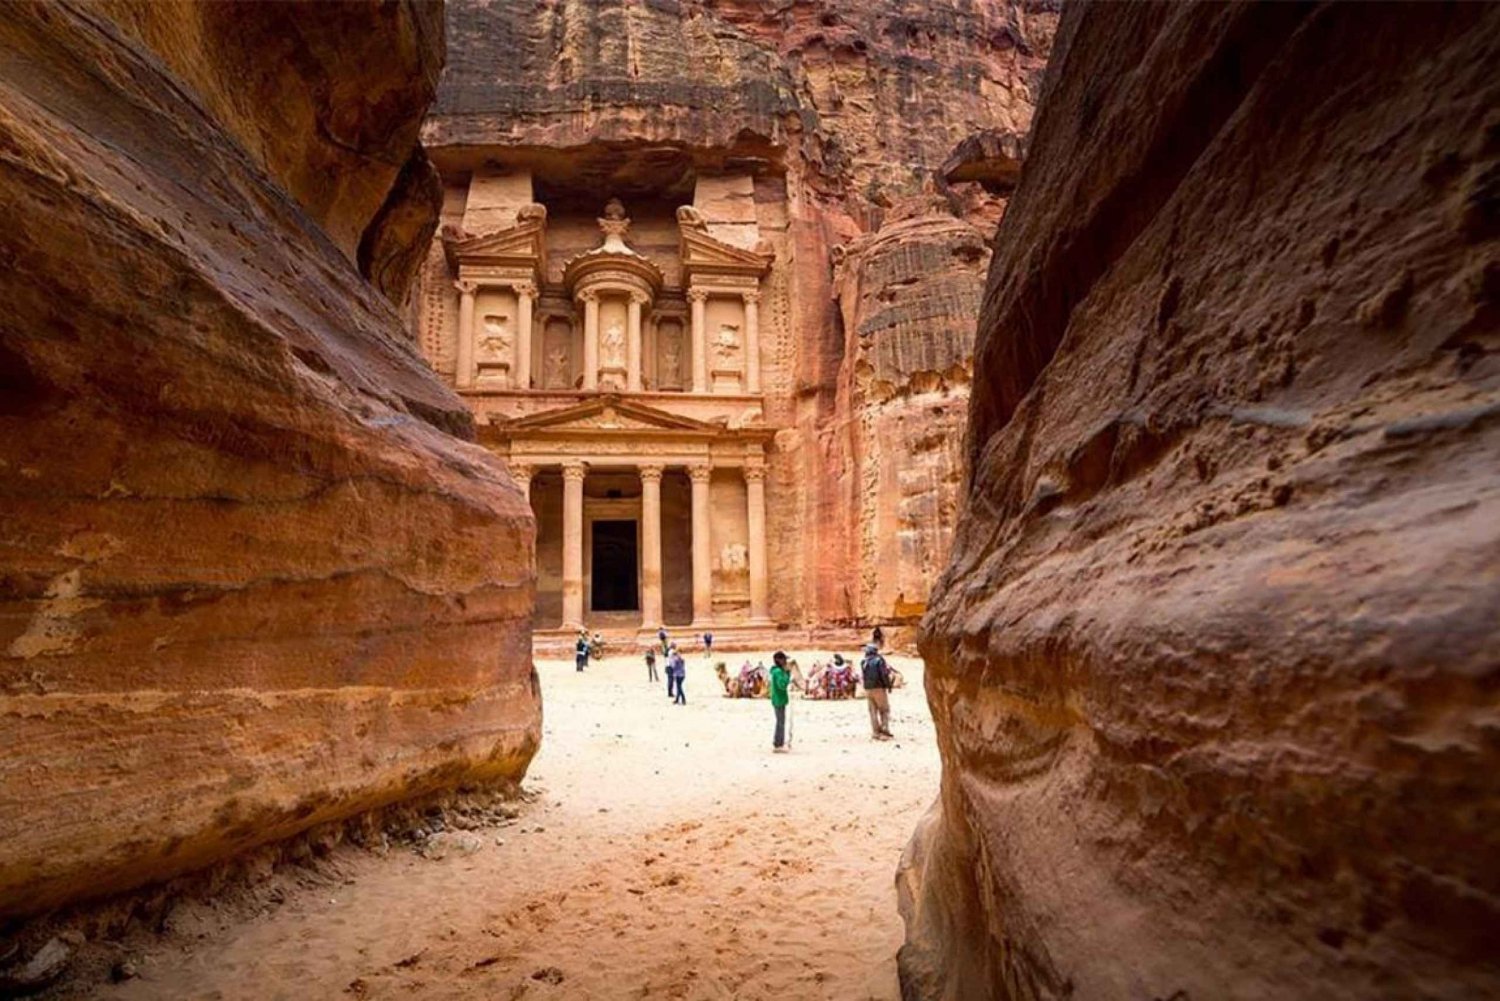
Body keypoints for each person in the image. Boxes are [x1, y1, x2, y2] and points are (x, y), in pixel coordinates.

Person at [861, 642, 893, 740]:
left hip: (868, 689)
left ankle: (875, 732)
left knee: (873, 710)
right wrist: (888, 685)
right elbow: (883, 674)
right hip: (878, 688)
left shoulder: (864, 662)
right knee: (884, 709)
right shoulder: (879, 660)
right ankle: (884, 730)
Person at [769, 651, 793, 752]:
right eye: (784, 660)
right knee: (780, 722)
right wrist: (787, 674)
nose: (786, 662)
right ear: (779, 660)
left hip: (777, 699)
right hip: (779, 700)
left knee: (780, 721)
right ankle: (778, 744)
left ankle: (778, 742)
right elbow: (782, 685)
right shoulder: (778, 672)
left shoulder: (776, 671)